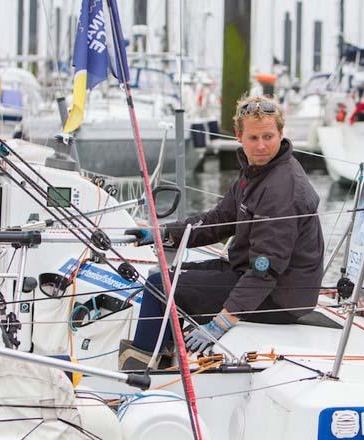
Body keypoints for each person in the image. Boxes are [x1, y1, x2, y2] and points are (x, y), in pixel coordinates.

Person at [121, 95, 324, 368]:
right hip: (256, 277)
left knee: (161, 287)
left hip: (279, 296)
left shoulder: (282, 187)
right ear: (239, 136)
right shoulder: (255, 173)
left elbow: (266, 268)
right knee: (166, 277)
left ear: (281, 134)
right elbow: (218, 220)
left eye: (268, 136)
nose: (262, 145)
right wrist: (162, 233)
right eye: (253, 138)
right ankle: (166, 356)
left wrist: (221, 322)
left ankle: (141, 370)